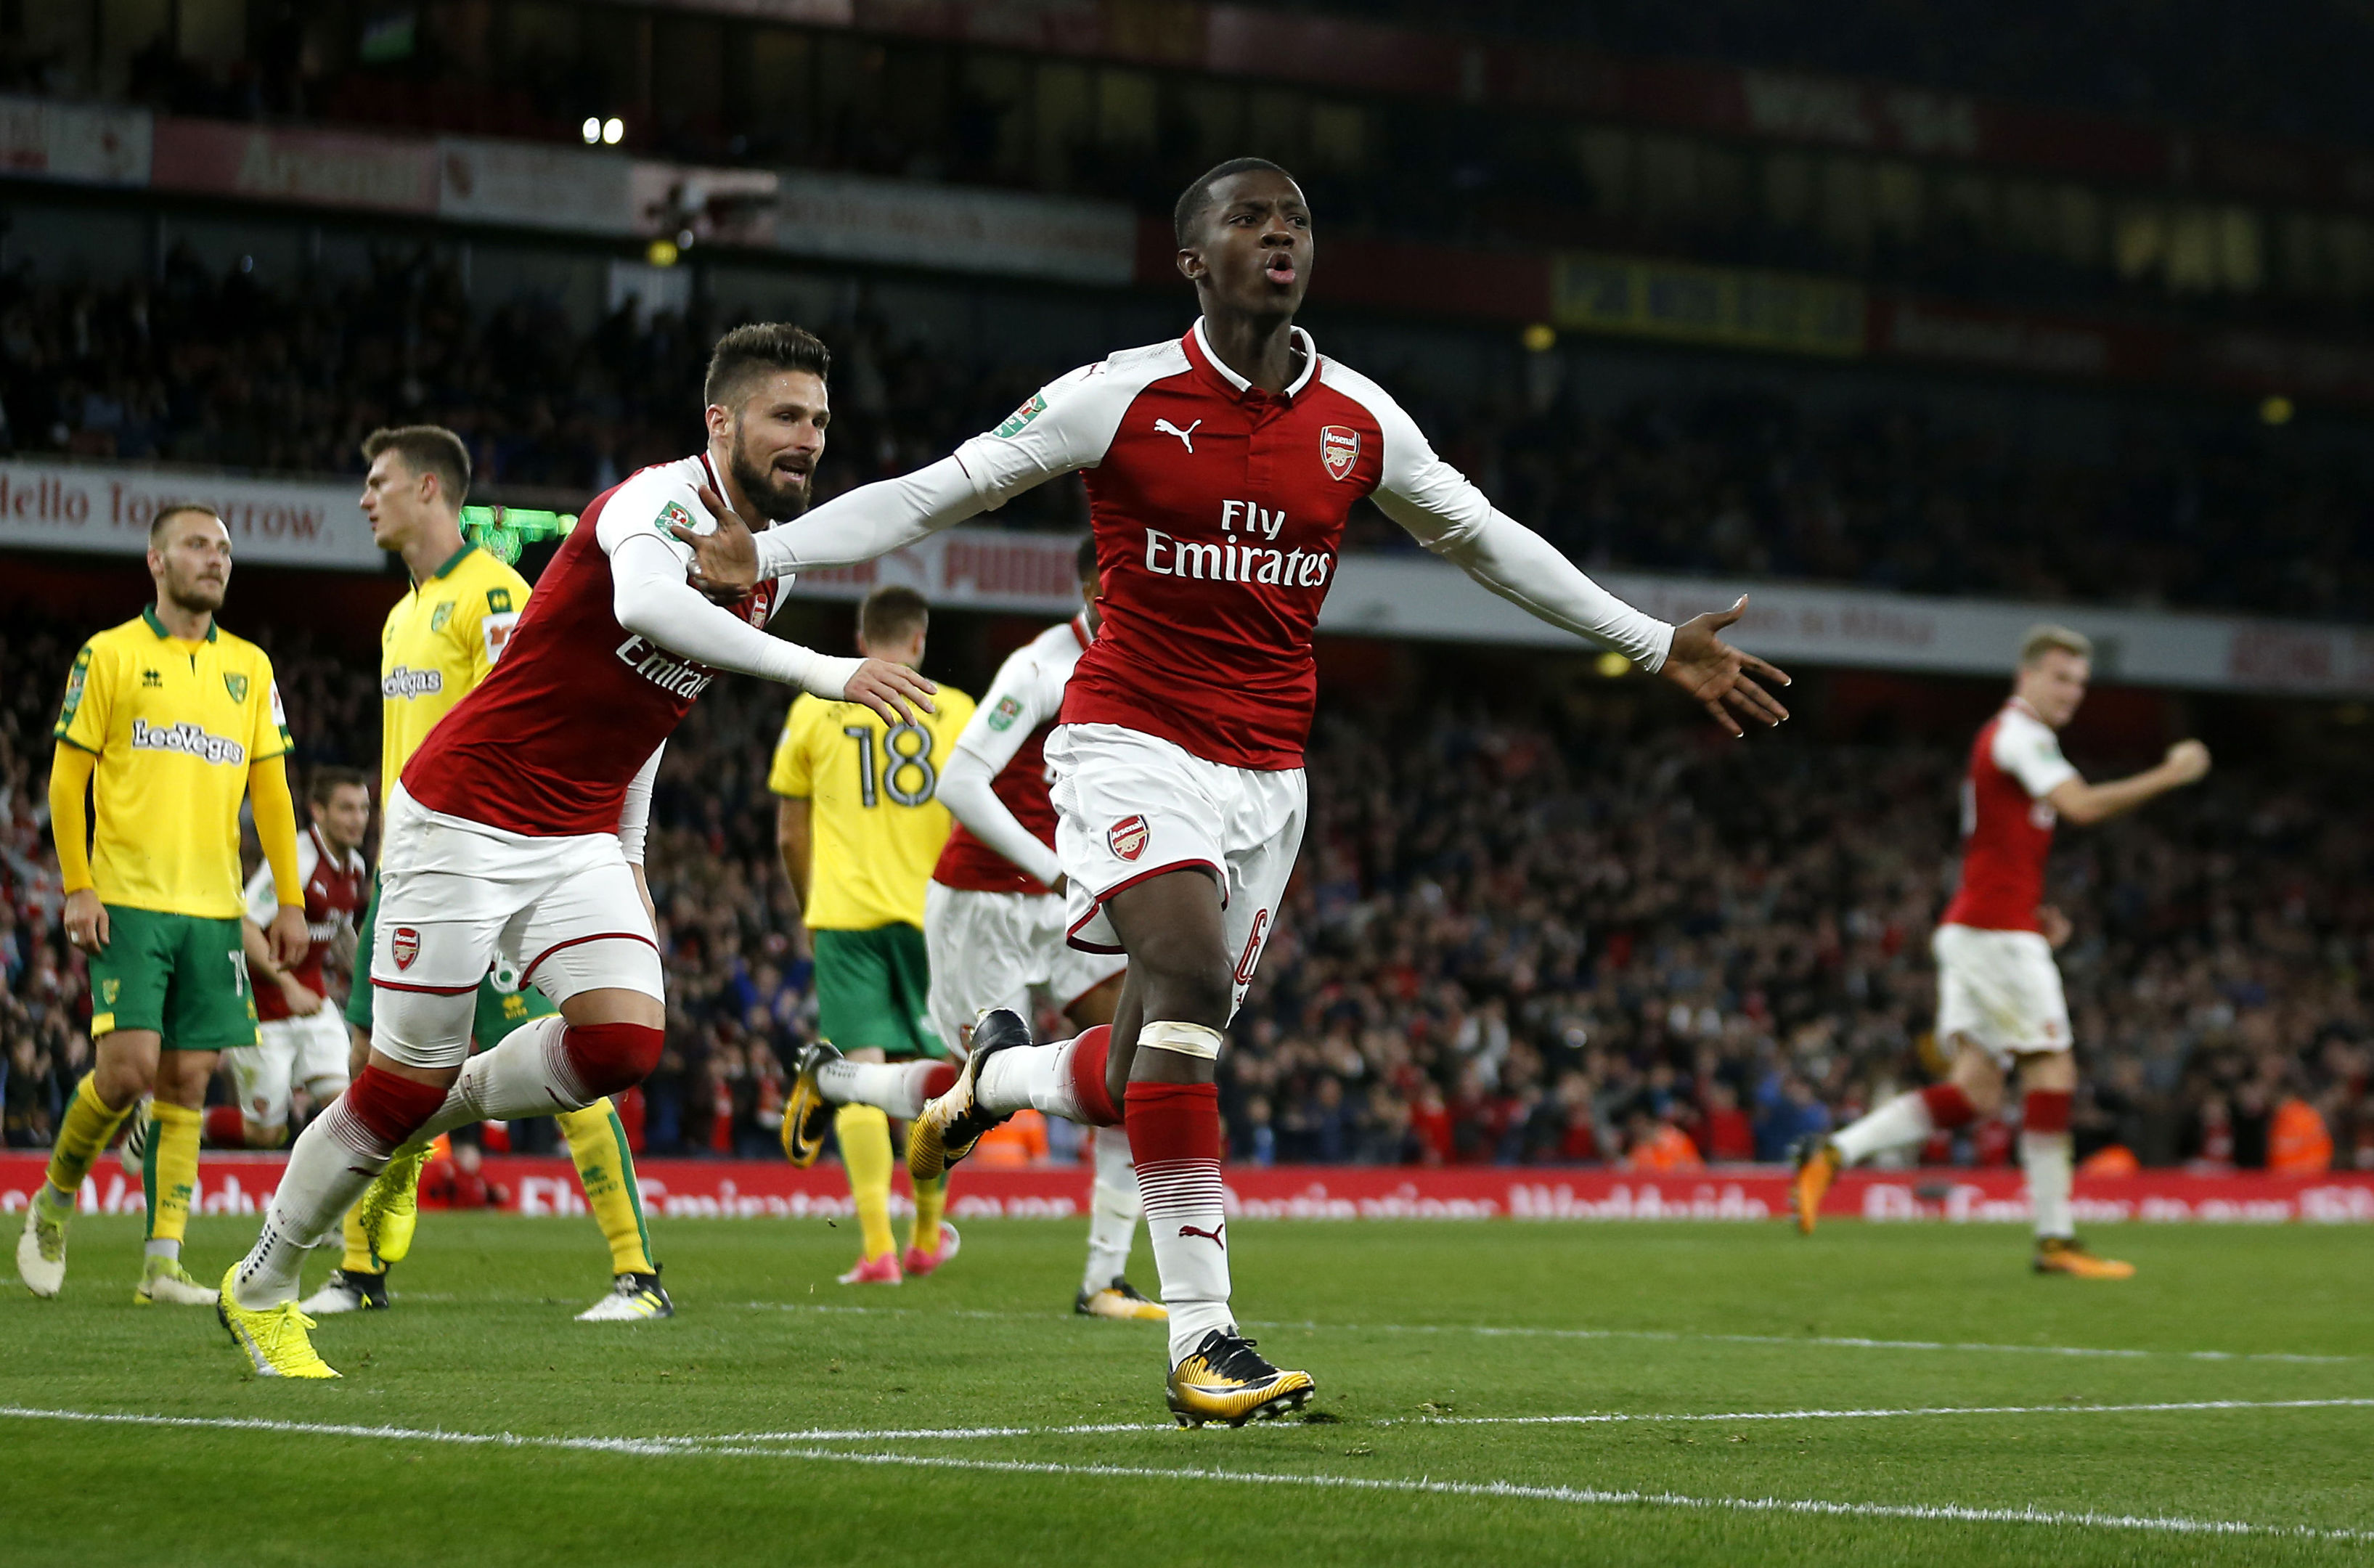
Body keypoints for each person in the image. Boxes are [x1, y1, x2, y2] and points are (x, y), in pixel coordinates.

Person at [674, 159, 1787, 1425]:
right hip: (1128, 741)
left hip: (1270, 779)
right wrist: (767, 547)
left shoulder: (1359, 418)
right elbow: (940, 489)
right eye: (1249, 218)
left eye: (1297, 220)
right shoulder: (1117, 396)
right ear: (1192, 259)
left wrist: (1650, 640)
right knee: (1192, 985)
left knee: (1140, 1063)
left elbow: (1483, 537)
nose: (1279, 235)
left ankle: (982, 1086)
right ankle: (1204, 1339)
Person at [214, 326, 934, 1378]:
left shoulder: (761, 567)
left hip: (577, 830)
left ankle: (440, 1103)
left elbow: (652, 711)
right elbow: (648, 607)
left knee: (621, 1045)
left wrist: (630, 853)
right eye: (786, 417)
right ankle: (265, 1284)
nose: (808, 441)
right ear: (720, 421)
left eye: (821, 422)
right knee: (390, 1087)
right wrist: (827, 672)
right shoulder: (654, 504)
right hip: (462, 812)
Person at [300, 423, 671, 1325]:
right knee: (377, 1064)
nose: (364, 498)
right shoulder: (400, 613)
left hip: (498, 860)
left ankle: (638, 1274)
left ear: (430, 488)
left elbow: (533, 727)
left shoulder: (495, 594)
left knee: (569, 1049)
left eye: (377, 480)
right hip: (410, 867)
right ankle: (363, 1267)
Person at [782, 539, 1162, 1320]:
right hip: (981, 901)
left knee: (1139, 1066)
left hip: (1066, 902)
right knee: (978, 1090)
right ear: (1092, 584)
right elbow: (960, 782)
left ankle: (1103, 1281)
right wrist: (1053, 866)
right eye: (1122, 582)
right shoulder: (1038, 668)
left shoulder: (1145, 663)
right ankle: (832, 1080)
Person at [1792, 625, 2211, 1277]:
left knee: (1977, 1092)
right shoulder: (2021, 736)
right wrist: (2169, 773)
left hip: (1988, 926)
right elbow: (2083, 806)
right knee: (2053, 1071)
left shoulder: (2012, 742)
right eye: (2060, 678)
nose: (2072, 693)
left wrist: (2032, 912)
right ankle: (2055, 1238)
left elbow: (1999, 846)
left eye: (2080, 683)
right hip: (1993, 935)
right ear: (2028, 676)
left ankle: (1832, 1152)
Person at [16, 503, 309, 1304]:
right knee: (127, 1072)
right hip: (130, 900)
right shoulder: (108, 655)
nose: (215, 560)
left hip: (213, 909)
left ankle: (162, 1264)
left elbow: (272, 791)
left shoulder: (249, 665)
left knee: (186, 1081)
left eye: (223, 548)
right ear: (156, 561)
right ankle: (54, 1200)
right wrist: (79, 884)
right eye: (197, 546)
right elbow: (67, 777)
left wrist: (288, 900)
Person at [768, 584, 975, 1285]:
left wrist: (809, 908)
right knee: (939, 1083)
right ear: (919, 642)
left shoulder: (816, 710)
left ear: (862, 642)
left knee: (856, 1075)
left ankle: (878, 1249)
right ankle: (925, 1236)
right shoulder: (958, 713)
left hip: (847, 916)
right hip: (934, 922)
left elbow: (792, 831)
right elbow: (981, 820)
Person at [222, 766, 372, 1149]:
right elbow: (244, 926)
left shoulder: (355, 867)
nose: (358, 820)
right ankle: (180, 1120)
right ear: (318, 812)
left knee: (346, 1115)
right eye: (346, 809)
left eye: (363, 809)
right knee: (266, 1134)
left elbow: (339, 933)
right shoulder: (297, 860)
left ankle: (334, 1208)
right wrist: (288, 985)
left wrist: (371, 985)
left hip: (313, 1004)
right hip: (263, 1010)